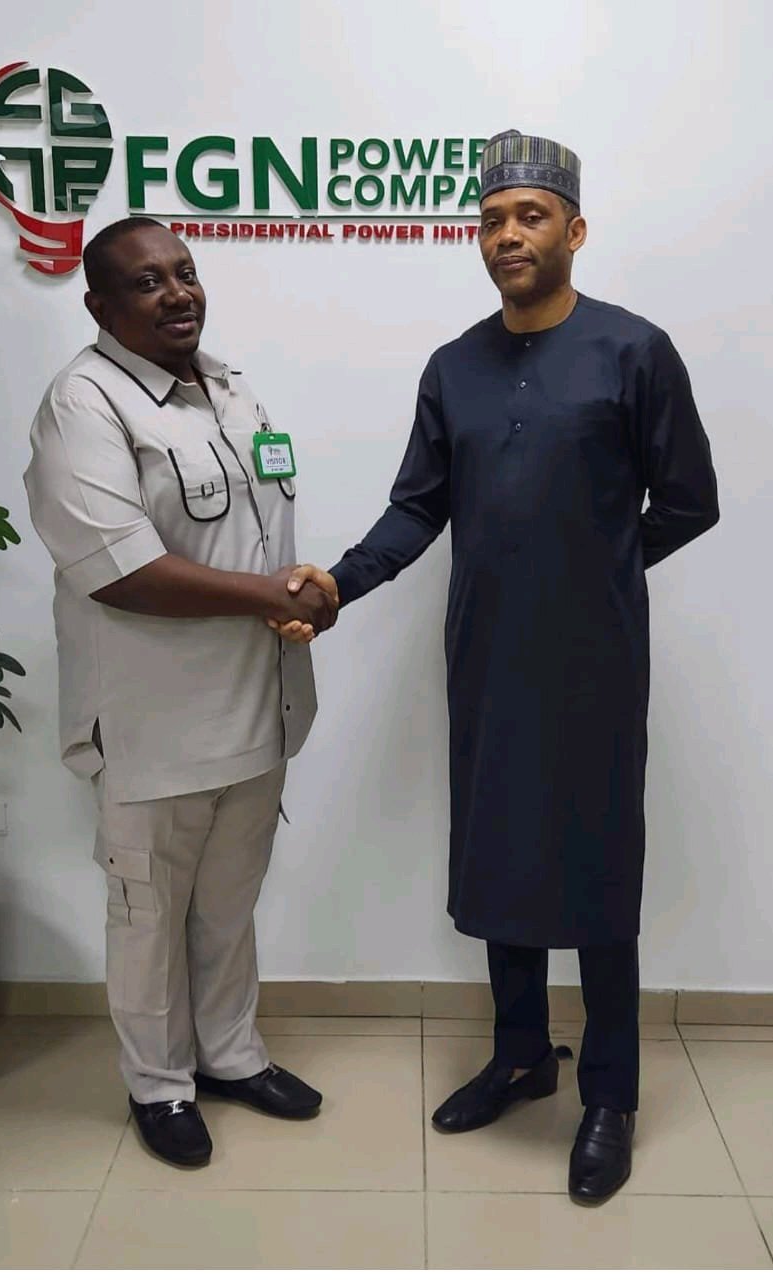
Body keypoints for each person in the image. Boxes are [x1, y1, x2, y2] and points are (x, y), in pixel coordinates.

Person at [279, 130, 720, 1205]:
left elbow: (689, 500)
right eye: (490, 219)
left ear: (575, 230)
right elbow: (417, 506)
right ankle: (521, 1054)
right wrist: (337, 585)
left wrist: (598, 567)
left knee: (598, 867)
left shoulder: (634, 351)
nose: (507, 235)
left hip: (595, 663)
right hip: (485, 656)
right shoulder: (454, 366)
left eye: (530, 216)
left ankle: (608, 1091)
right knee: (501, 850)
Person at [24, 217, 339, 1169]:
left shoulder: (231, 390)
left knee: (229, 905)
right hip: (153, 727)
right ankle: (159, 1085)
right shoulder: (83, 404)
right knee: (149, 916)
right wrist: (272, 597)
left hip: (258, 710)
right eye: (148, 282)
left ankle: (231, 1056)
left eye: (186, 272)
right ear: (99, 304)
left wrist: (304, 595)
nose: (177, 293)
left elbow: (263, 535)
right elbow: (120, 570)